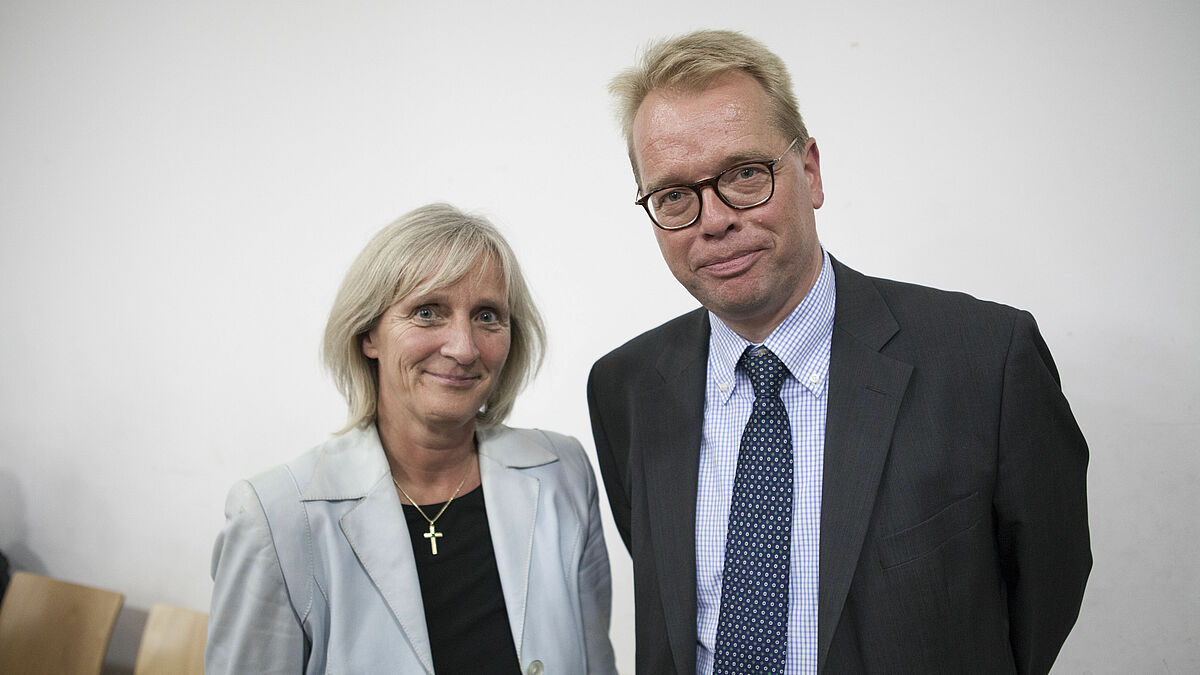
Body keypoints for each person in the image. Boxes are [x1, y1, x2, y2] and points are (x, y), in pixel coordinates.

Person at [587, 30, 1090, 674]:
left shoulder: (986, 361)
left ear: (811, 170)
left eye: (745, 174)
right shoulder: (625, 388)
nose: (713, 220)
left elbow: (1048, 582)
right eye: (675, 196)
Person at [208, 203, 617, 674]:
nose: (463, 348)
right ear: (369, 335)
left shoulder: (563, 472)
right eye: (427, 312)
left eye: (487, 316)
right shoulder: (274, 517)